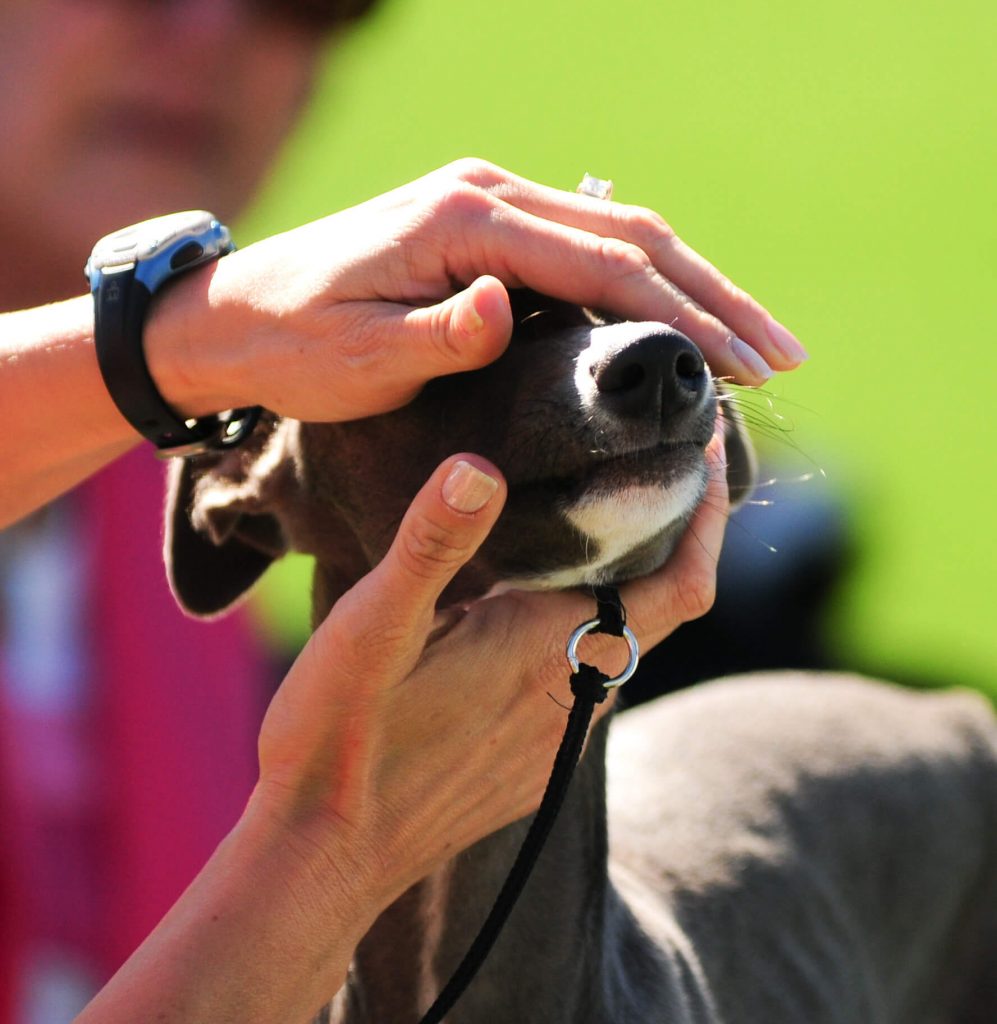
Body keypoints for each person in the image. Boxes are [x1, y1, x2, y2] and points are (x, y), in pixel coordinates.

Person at [0, 2, 806, 1021]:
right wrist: (341, 846)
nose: (208, 31)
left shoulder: (173, 500)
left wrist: (171, 352)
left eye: (301, 2)